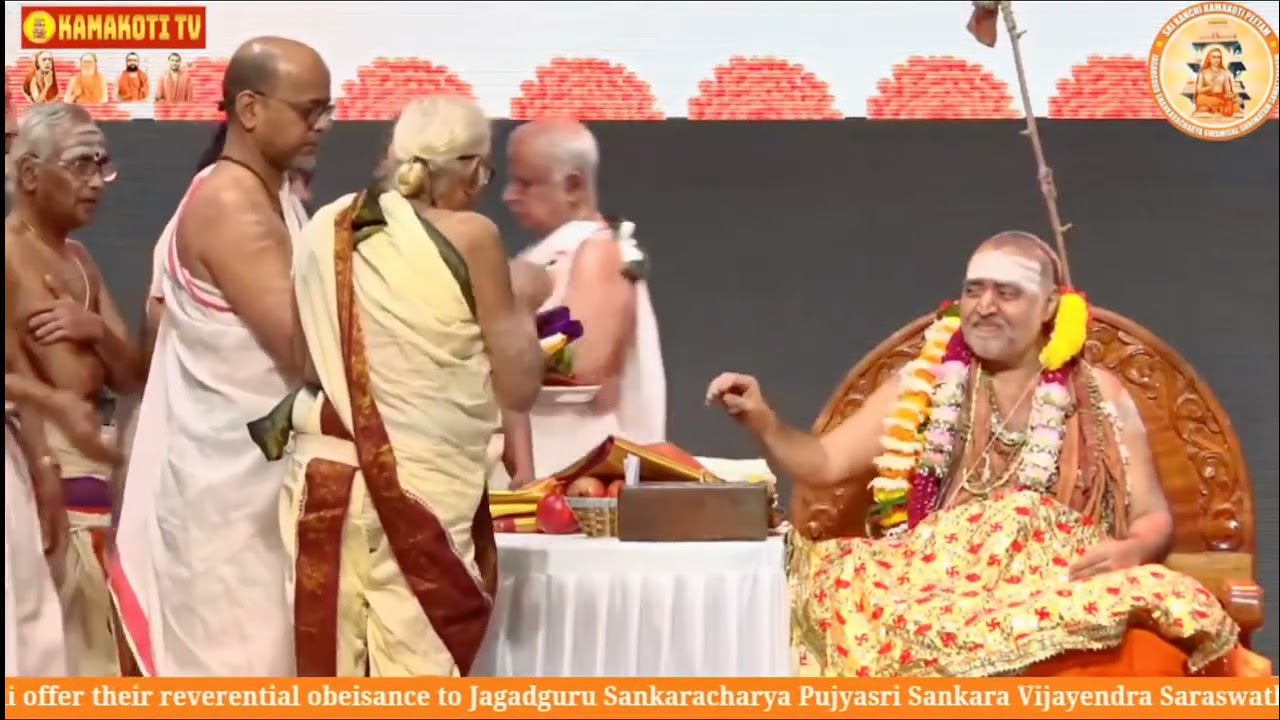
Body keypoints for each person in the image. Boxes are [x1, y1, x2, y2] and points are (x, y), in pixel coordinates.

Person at [708, 231, 1265, 678]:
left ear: (1050, 306)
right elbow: (824, 465)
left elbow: (1152, 516)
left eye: (1007, 292)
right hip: (941, 584)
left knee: (1165, 605)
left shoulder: (1101, 395)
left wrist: (1131, 550)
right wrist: (762, 420)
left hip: (1054, 581)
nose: (985, 307)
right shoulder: (925, 382)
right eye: (974, 290)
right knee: (840, 588)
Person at [271, 95, 543, 677]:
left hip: (324, 475)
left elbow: (304, 363)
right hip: (422, 487)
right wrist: (522, 305)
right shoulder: (473, 236)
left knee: (328, 676)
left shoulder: (326, 228)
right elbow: (519, 386)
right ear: (473, 170)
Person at [109, 36, 332, 677]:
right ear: (250, 109)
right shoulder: (233, 206)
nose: (323, 125)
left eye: (327, 109)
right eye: (309, 110)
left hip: (256, 497)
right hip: (228, 508)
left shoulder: (271, 197)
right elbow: (308, 354)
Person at [6, 101, 146, 677]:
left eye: (102, 165)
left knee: (100, 661)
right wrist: (43, 461)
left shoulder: (81, 260)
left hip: (96, 487)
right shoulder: (8, 253)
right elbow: (49, 382)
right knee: (55, 661)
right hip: (39, 481)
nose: (96, 182)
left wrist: (93, 330)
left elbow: (130, 374)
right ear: (31, 174)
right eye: (82, 165)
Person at [500, 118, 666, 483]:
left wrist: (495, 348)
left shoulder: (597, 252)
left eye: (526, 184)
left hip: (574, 465)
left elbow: (583, 368)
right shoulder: (561, 251)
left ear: (573, 185)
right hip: (546, 459)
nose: (509, 195)